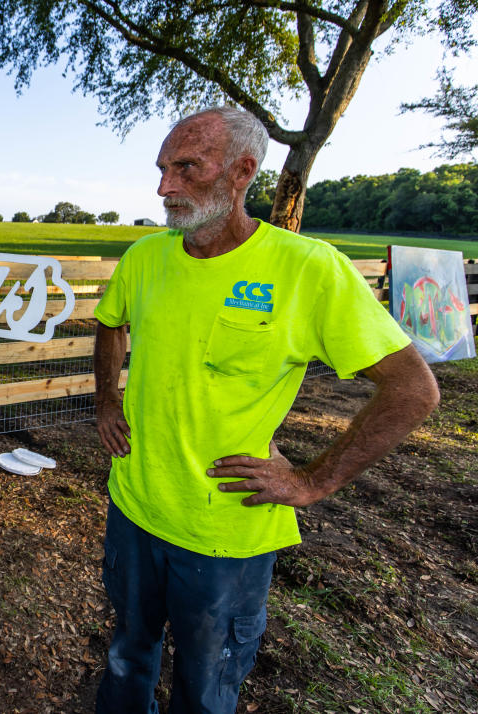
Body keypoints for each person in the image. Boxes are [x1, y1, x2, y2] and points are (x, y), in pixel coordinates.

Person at [92, 106, 440, 714]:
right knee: (127, 656)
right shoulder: (146, 257)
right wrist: (105, 398)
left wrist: (312, 480)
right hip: (133, 507)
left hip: (225, 534)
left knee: (205, 689)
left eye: (185, 168)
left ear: (241, 172)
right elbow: (108, 323)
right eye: (161, 169)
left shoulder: (308, 268)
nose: (163, 187)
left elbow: (414, 390)